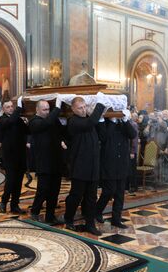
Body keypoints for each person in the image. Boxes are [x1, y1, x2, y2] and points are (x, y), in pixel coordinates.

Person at [63, 94, 107, 236]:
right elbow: (89, 124)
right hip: (80, 166)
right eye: (80, 108)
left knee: (91, 197)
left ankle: (90, 223)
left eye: (84, 107)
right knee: (76, 195)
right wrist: (100, 104)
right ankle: (68, 219)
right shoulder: (73, 122)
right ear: (73, 109)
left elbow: (102, 135)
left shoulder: (89, 120)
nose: (83, 110)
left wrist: (101, 120)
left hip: (93, 165)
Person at [95, 108, 136, 229]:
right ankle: (97, 211)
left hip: (122, 163)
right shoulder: (105, 122)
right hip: (109, 163)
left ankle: (116, 219)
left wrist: (125, 120)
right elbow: (104, 138)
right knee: (108, 191)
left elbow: (133, 134)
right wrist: (112, 121)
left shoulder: (124, 123)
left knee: (120, 193)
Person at [28, 97, 64, 225]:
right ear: (37, 110)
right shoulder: (34, 121)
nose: (47, 112)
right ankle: (35, 212)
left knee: (55, 191)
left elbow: (62, 131)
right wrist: (57, 108)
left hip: (56, 161)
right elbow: (45, 124)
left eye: (49, 109)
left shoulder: (52, 120)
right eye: (44, 109)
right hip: (43, 162)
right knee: (43, 189)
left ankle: (50, 215)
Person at [0, 99, 28, 214]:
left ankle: (15, 205)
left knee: (19, 182)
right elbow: (9, 122)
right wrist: (19, 109)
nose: (11, 108)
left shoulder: (18, 119)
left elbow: (27, 131)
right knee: (10, 181)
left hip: (20, 155)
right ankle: (3, 202)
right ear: (3, 109)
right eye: (8, 107)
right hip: (9, 157)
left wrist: (27, 122)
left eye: (12, 106)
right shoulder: (2, 119)